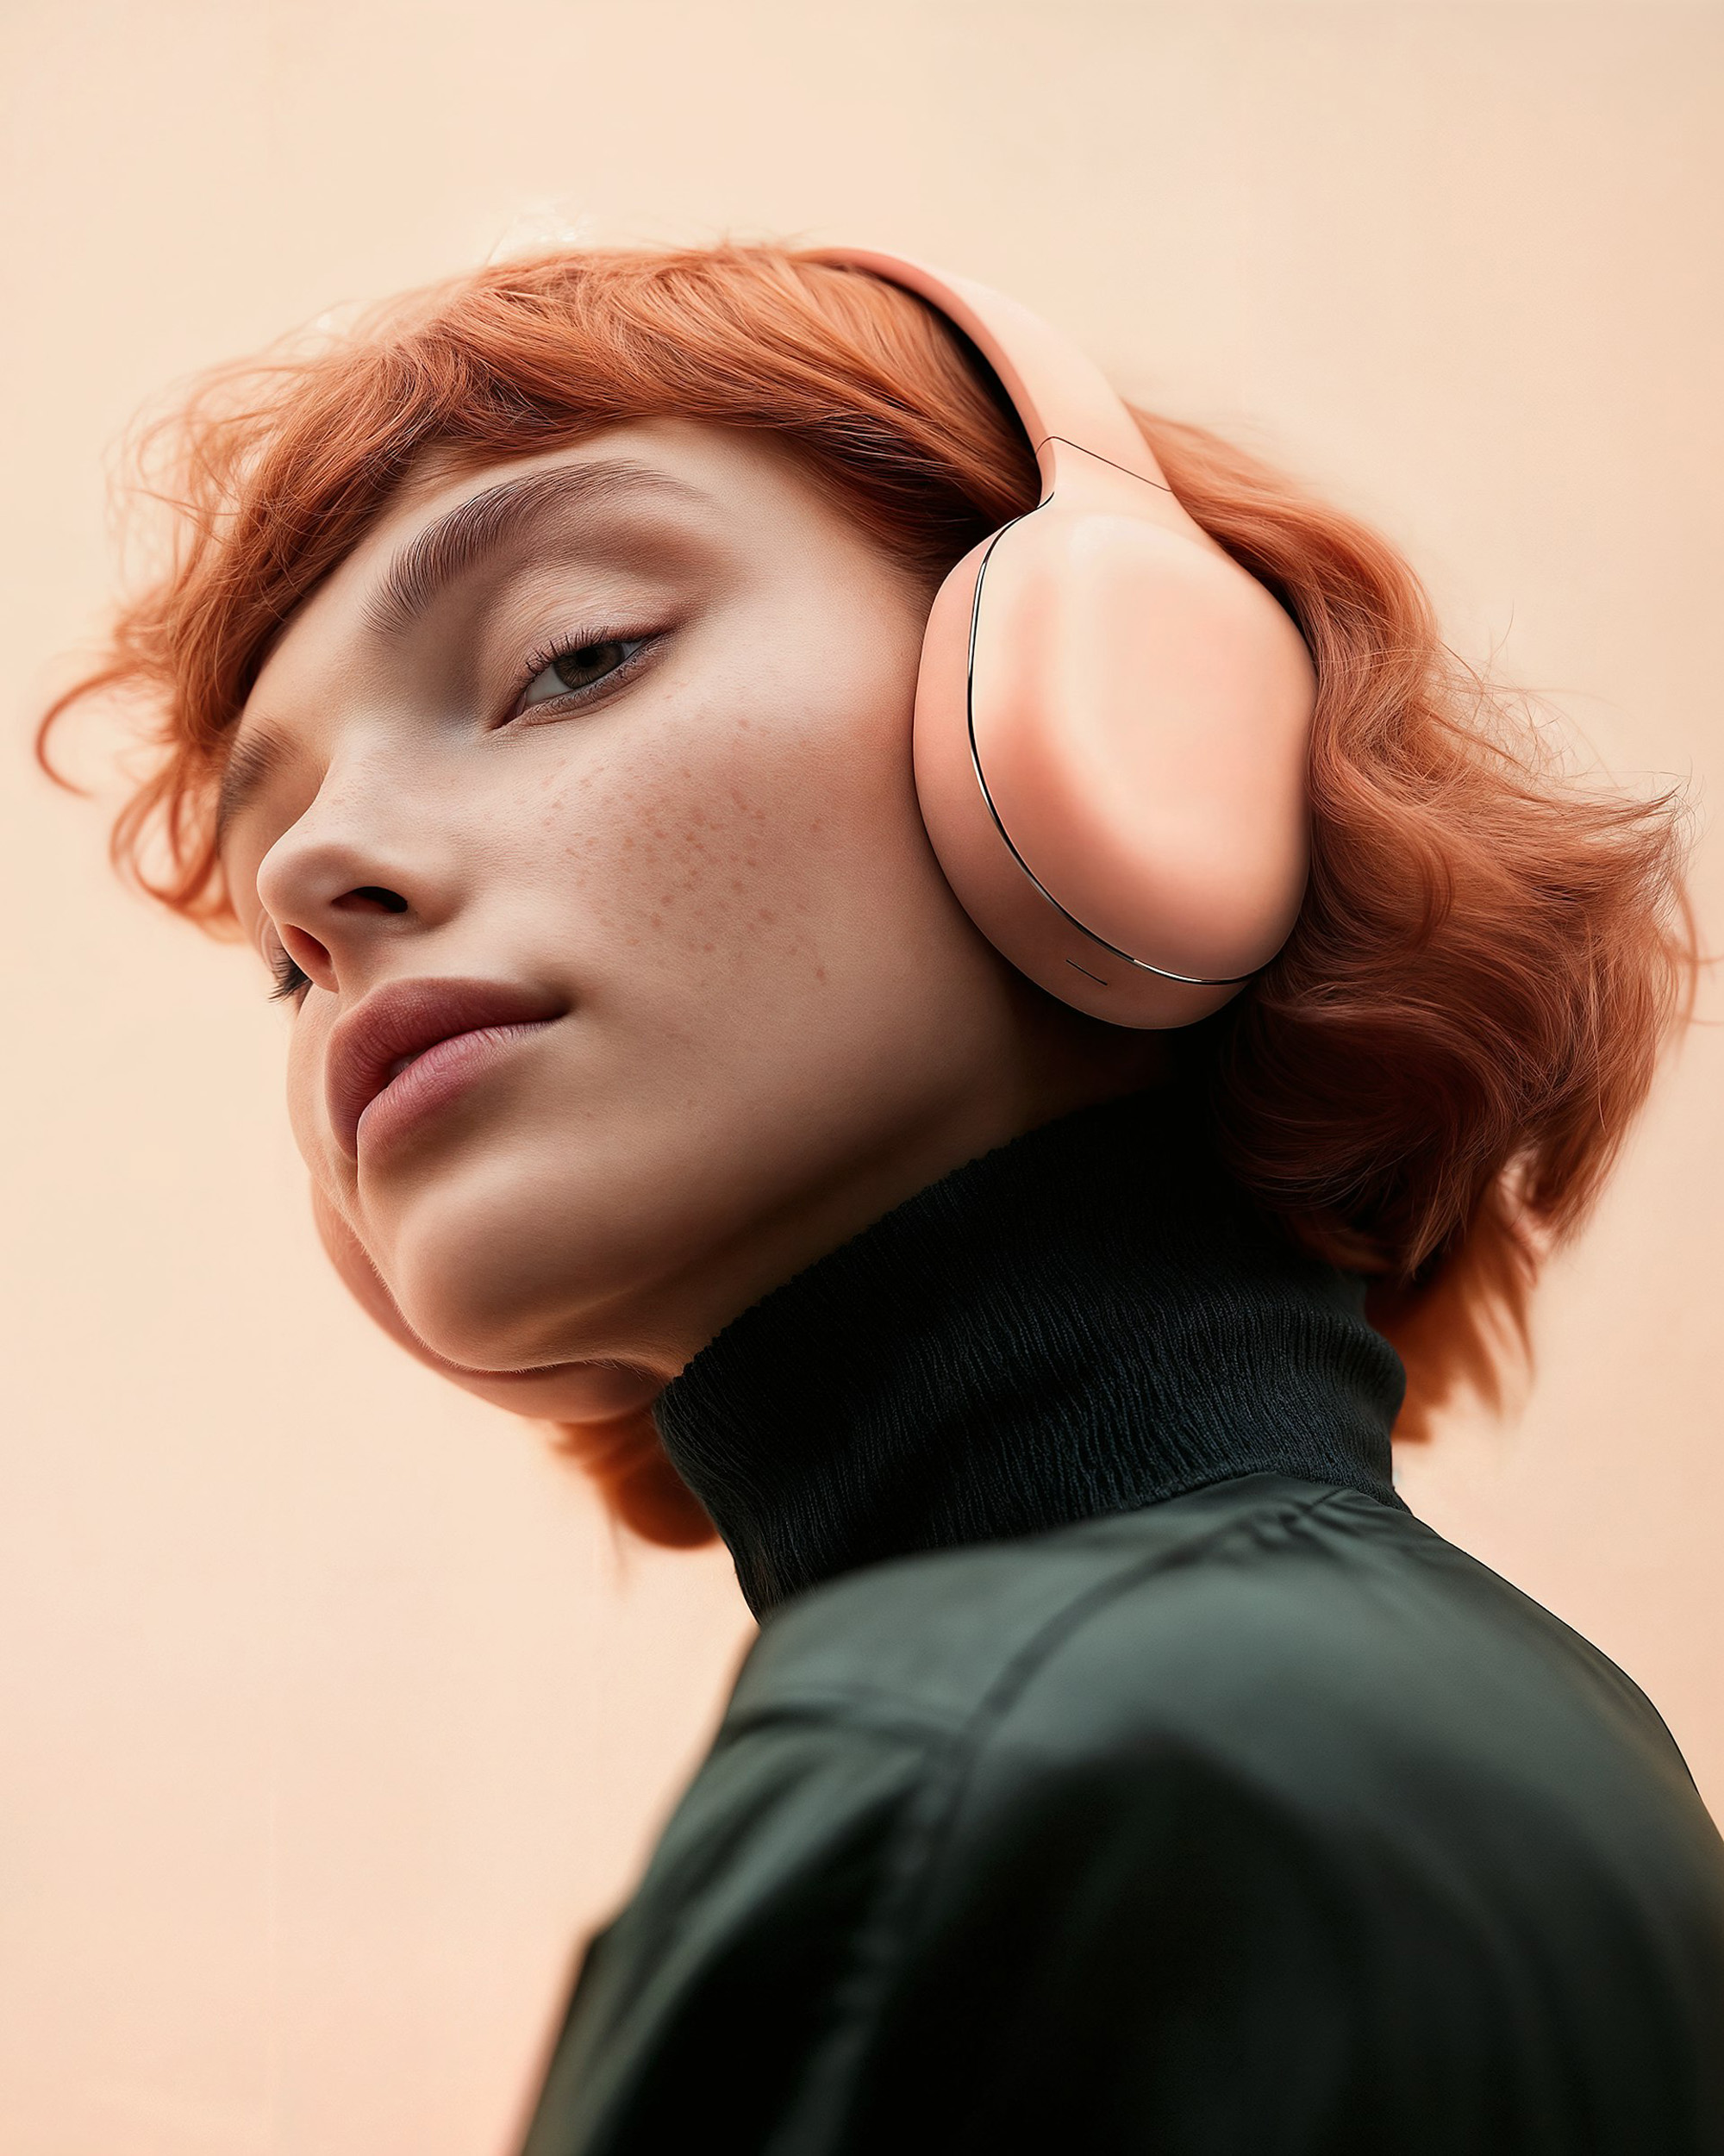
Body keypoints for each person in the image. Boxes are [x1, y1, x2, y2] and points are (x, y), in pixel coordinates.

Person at [40, 241, 1724, 2152]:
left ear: (1126, 707)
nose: (323, 870)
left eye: (569, 655)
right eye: (279, 946)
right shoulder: (1529, 1727)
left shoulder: (995, 1774)